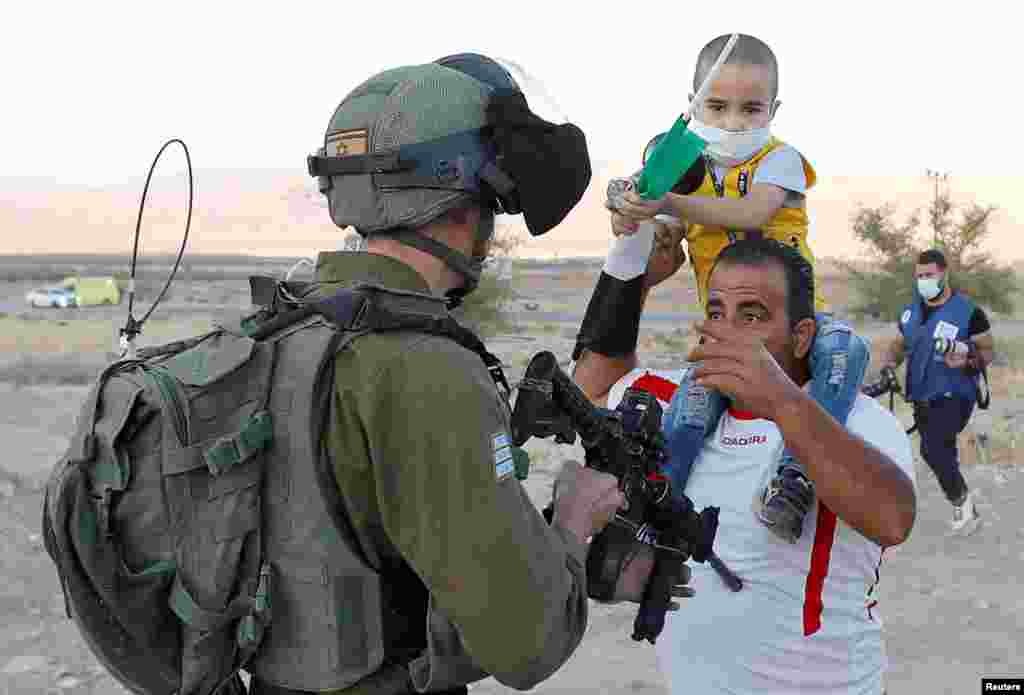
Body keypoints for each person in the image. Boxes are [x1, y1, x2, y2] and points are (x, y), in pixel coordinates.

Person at [245, 56, 648, 695]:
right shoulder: (426, 368)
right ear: (464, 200)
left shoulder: (280, 328)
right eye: (492, 201)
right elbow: (527, 645)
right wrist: (572, 525)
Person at [575, 236, 917, 694]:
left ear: (801, 337)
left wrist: (778, 398)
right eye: (716, 313)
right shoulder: (676, 402)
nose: (725, 331)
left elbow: (892, 519)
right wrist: (631, 260)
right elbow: (592, 386)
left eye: (752, 316)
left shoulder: (856, 422)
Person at [596, 32, 871, 544]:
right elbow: (662, 236)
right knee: (691, 411)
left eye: (751, 109)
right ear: (693, 104)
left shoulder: (780, 159)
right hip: (726, 334)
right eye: (718, 106)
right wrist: (632, 212)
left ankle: (795, 478)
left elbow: (750, 212)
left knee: (846, 349)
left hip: (798, 324)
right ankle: (655, 510)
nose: (734, 121)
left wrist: (666, 203)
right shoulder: (683, 170)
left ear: (774, 109)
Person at [878, 249, 994, 536]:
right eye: (919, 276)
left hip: (956, 393)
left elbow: (988, 352)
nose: (923, 281)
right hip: (922, 394)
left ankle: (964, 505)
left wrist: (967, 360)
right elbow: (900, 345)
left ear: (944, 274)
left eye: (929, 275)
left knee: (932, 447)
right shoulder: (911, 312)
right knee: (939, 451)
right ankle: (965, 507)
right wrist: (890, 364)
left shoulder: (969, 312)